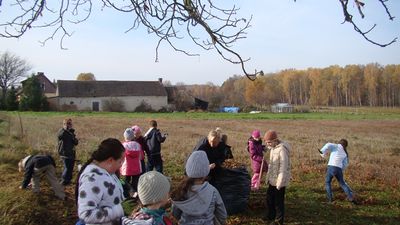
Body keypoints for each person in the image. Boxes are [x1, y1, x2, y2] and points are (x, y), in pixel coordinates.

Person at [75, 138, 126, 225]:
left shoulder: (109, 172)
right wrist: (120, 210)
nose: (121, 165)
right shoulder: (91, 178)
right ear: (110, 160)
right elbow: (86, 214)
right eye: (120, 162)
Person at [171, 151, 227, 225]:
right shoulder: (213, 191)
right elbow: (222, 214)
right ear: (206, 172)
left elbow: (175, 214)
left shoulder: (182, 191)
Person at [264, 130, 291, 225]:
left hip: (280, 181)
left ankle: (279, 221)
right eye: (266, 142)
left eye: (269, 142)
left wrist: (279, 183)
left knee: (278, 202)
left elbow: (283, 167)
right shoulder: (273, 148)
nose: (268, 144)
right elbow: (271, 165)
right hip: (272, 179)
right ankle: (270, 215)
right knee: (269, 199)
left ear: (275, 140)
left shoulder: (282, 149)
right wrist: (268, 178)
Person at [319, 139, 356, 204]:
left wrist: (322, 151)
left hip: (331, 167)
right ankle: (350, 198)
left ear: (340, 143)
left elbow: (328, 144)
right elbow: (345, 164)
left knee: (328, 182)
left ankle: (330, 200)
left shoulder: (336, 146)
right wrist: (340, 170)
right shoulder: (345, 153)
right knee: (343, 184)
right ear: (345, 146)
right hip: (339, 169)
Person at [120, 128, 144, 197]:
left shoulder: (123, 145)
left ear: (125, 137)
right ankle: (135, 195)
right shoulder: (138, 145)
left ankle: (128, 193)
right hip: (137, 167)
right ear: (133, 136)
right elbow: (141, 156)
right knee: (135, 182)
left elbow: (120, 157)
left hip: (127, 168)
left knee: (126, 181)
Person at [57, 118, 79, 186]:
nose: (68, 125)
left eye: (69, 124)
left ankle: (68, 181)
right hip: (64, 153)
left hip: (71, 153)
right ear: (63, 124)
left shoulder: (71, 132)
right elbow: (60, 136)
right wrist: (65, 129)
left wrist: (72, 134)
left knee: (70, 167)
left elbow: (76, 142)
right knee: (67, 167)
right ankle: (63, 181)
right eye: (66, 124)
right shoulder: (61, 131)